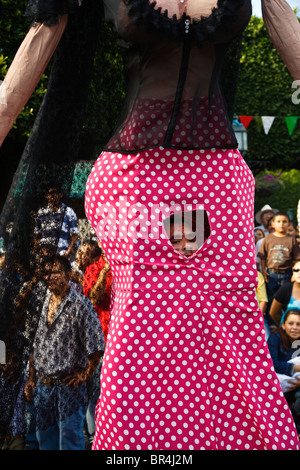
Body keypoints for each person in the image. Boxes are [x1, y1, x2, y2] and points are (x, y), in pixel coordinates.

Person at [1, 0, 300, 451]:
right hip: (132, 181)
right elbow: (31, 58)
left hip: (218, 181)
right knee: (142, 323)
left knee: (232, 319)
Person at [24, 255, 105, 450]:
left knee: (70, 441)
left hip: (69, 389)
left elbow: (96, 347)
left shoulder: (81, 305)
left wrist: (84, 375)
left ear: (68, 275)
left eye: (55, 272)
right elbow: (36, 344)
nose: (50, 277)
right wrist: (32, 379)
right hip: (43, 389)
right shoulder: (41, 304)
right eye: (47, 273)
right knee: (46, 441)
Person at [267, 308, 300, 435]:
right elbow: (272, 364)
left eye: (298, 324)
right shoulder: (275, 338)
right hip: (275, 386)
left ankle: (295, 431)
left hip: (295, 384)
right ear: (283, 325)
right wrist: (296, 368)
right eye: (291, 323)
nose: (295, 327)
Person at [258, 212, 300, 310]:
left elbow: (296, 259)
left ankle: (285, 319)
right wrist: (264, 271)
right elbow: (263, 257)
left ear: (289, 224)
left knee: (285, 296)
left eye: (284, 222)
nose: (281, 224)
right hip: (271, 273)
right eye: (278, 221)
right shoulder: (268, 238)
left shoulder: (292, 240)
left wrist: (294, 274)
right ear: (273, 224)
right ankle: (272, 322)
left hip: (287, 273)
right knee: (271, 297)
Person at [33, 186, 79, 261]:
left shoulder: (68, 212)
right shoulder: (41, 213)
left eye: (56, 192)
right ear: (46, 196)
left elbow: (74, 235)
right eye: (50, 193)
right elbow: (37, 235)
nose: (53, 195)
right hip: (45, 256)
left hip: (61, 255)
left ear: (60, 194)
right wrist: (36, 253)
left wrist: (67, 253)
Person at [269, 261, 300, 327]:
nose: (299, 273)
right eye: (296, 270)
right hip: (289, 333)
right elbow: (273, 313)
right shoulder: (285, 288)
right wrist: (284, 327)